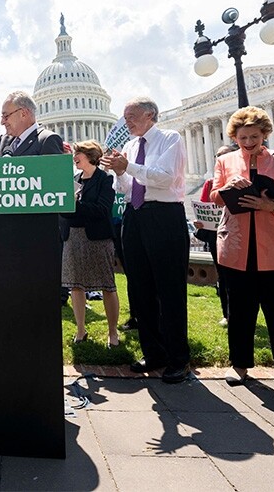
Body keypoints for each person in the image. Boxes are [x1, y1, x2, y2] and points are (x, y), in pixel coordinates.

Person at [210, 106, 274, 398]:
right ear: (234, 137)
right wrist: (227, 186)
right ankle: (239, 365)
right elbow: (215, 197)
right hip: (237, 246)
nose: (249, 142)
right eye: (243, 137)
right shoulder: (225, 161)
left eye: (254, 136)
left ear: (265, 134)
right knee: (239, 310)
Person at [100, 97, 191, 384]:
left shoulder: (169, 139)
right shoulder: (130, 146)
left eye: (132, 116)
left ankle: (179, 359)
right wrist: (119, 172)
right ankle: (153, 353)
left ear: (150, 114)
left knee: (169, 291)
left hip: (164, 216)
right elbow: (126, 187)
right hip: (134, 216)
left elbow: (164, 178)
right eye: (125, 116)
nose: (127, 121)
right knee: (140, 289)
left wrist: (128, 167)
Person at [61, 140, 119, 347]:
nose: (74, 157)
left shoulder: (105, 179)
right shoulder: (73, 180)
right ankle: (80, 330)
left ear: (90, 156)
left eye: (78, 154)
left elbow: (103, 210)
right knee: (76, 285)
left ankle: (113, 332)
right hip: (73, 236)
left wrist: (78, 204)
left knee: (107, 285)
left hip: (97, 238)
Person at [194, 145, 235, 326]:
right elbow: (204, 207)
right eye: (218, 155)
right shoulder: (210, 183)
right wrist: (200, 222)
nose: (221, 159)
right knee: (223, 275)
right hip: (216, 236)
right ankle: (227, 313)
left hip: (240, 234)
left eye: (225, 155)